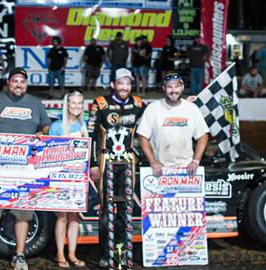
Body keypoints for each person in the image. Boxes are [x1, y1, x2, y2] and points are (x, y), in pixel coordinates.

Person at [0, 67, 51, 270]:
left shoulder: (35, 103)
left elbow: (46, 125)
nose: (19, 85)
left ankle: (20, 255)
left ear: (26, 84)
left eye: (22, 81)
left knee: (23, 213)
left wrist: (43, 133)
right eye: (15, 81)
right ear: (9, 83)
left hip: (25, 170)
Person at [88, 68, 145, 268]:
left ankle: (124, 250)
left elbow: (148, 129)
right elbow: (92, 134)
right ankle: (106, 253)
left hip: (128, 160)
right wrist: (94, 164)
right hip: (106, 161)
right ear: (113, 84)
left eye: (127, 83)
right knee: (106, 208)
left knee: (126, 208)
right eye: (120, 83)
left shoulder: (138, 104)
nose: (124, 87)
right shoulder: (100, 104)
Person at [136, 73, 209, 176]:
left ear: (182, 88)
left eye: (177, 86)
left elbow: (203, 136)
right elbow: (142, 136)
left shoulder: (192, 108)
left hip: (187, 169)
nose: (173, 90)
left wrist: (196, 161)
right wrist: (153, 162)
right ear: (163, 88)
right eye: (170, 87)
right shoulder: (153, 108)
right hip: (159, 169)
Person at [49, 90, 88, 269]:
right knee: (62, 216)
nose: (77, 107)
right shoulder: (57, 127)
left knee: (74, 217)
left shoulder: (84, 126)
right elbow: (47, 154)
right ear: (67, 105)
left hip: (79, 178)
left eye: (80, 103)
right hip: (60, 178)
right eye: (73, 103)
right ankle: (59, 253)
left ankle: (72, 253)